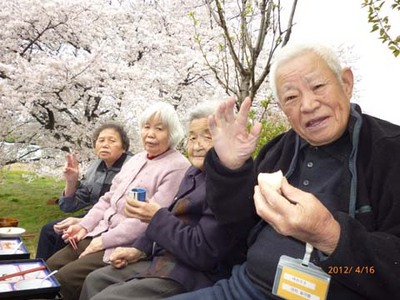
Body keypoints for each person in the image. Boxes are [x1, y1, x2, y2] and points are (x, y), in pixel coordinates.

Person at [166, 43, 400, 300]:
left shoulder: (390, 151)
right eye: (291, 97)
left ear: (345, 83)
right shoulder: (278, 150)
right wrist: (230, 169)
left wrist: (329, 235)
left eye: (318, 86)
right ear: (282, 108)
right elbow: (238, 227)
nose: (308, 105)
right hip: (243, 288)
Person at [78, 102, 246, 300]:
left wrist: (155, 216)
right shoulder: (193, 173)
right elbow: (171, 215)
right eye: (192, 138)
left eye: (207, 137)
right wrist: (139, 250)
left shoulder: (227, 185)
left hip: (191, 273)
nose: (197, 146)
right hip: (162, 258)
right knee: (95, 280)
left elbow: (202, 251)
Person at [46, 102, 191, 300]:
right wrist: (85, 227)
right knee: (50, 267)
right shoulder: (137, 159)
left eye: (159, 128)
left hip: (124, 243)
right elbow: (107, 199)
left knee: (64, 279)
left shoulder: (177, 166)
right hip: (101, 231)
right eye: (146, 127)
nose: (150, 134)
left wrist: (102, 241)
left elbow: (148, 219)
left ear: (172, 133)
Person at [36, 123, 132, 260]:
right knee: (51, 230)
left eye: (112, 141)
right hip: (91, 217)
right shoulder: (96, 167)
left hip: (112, 223)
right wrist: (71, 181)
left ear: (124, 147)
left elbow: (121, 209)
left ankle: (56, 274)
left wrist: (83, 222)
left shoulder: (131, 167)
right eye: (101, 140)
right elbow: (68, 207)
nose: (105, 145)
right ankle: (40, 272)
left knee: (63, 237)